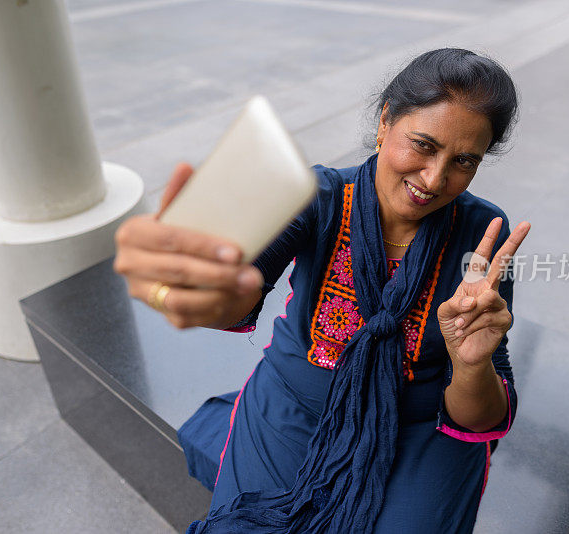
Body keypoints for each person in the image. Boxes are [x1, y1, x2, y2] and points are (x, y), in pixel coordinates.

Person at [113, 48, 530, 533]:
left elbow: (479, 418)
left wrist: (470, 363)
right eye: (422, 145)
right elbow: (243, 290)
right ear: (385, 121)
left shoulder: (482, 237)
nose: (435, 179)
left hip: (421, 427)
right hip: (297, 407)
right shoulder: (322, 197)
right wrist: (203, 287)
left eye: (463, 161)